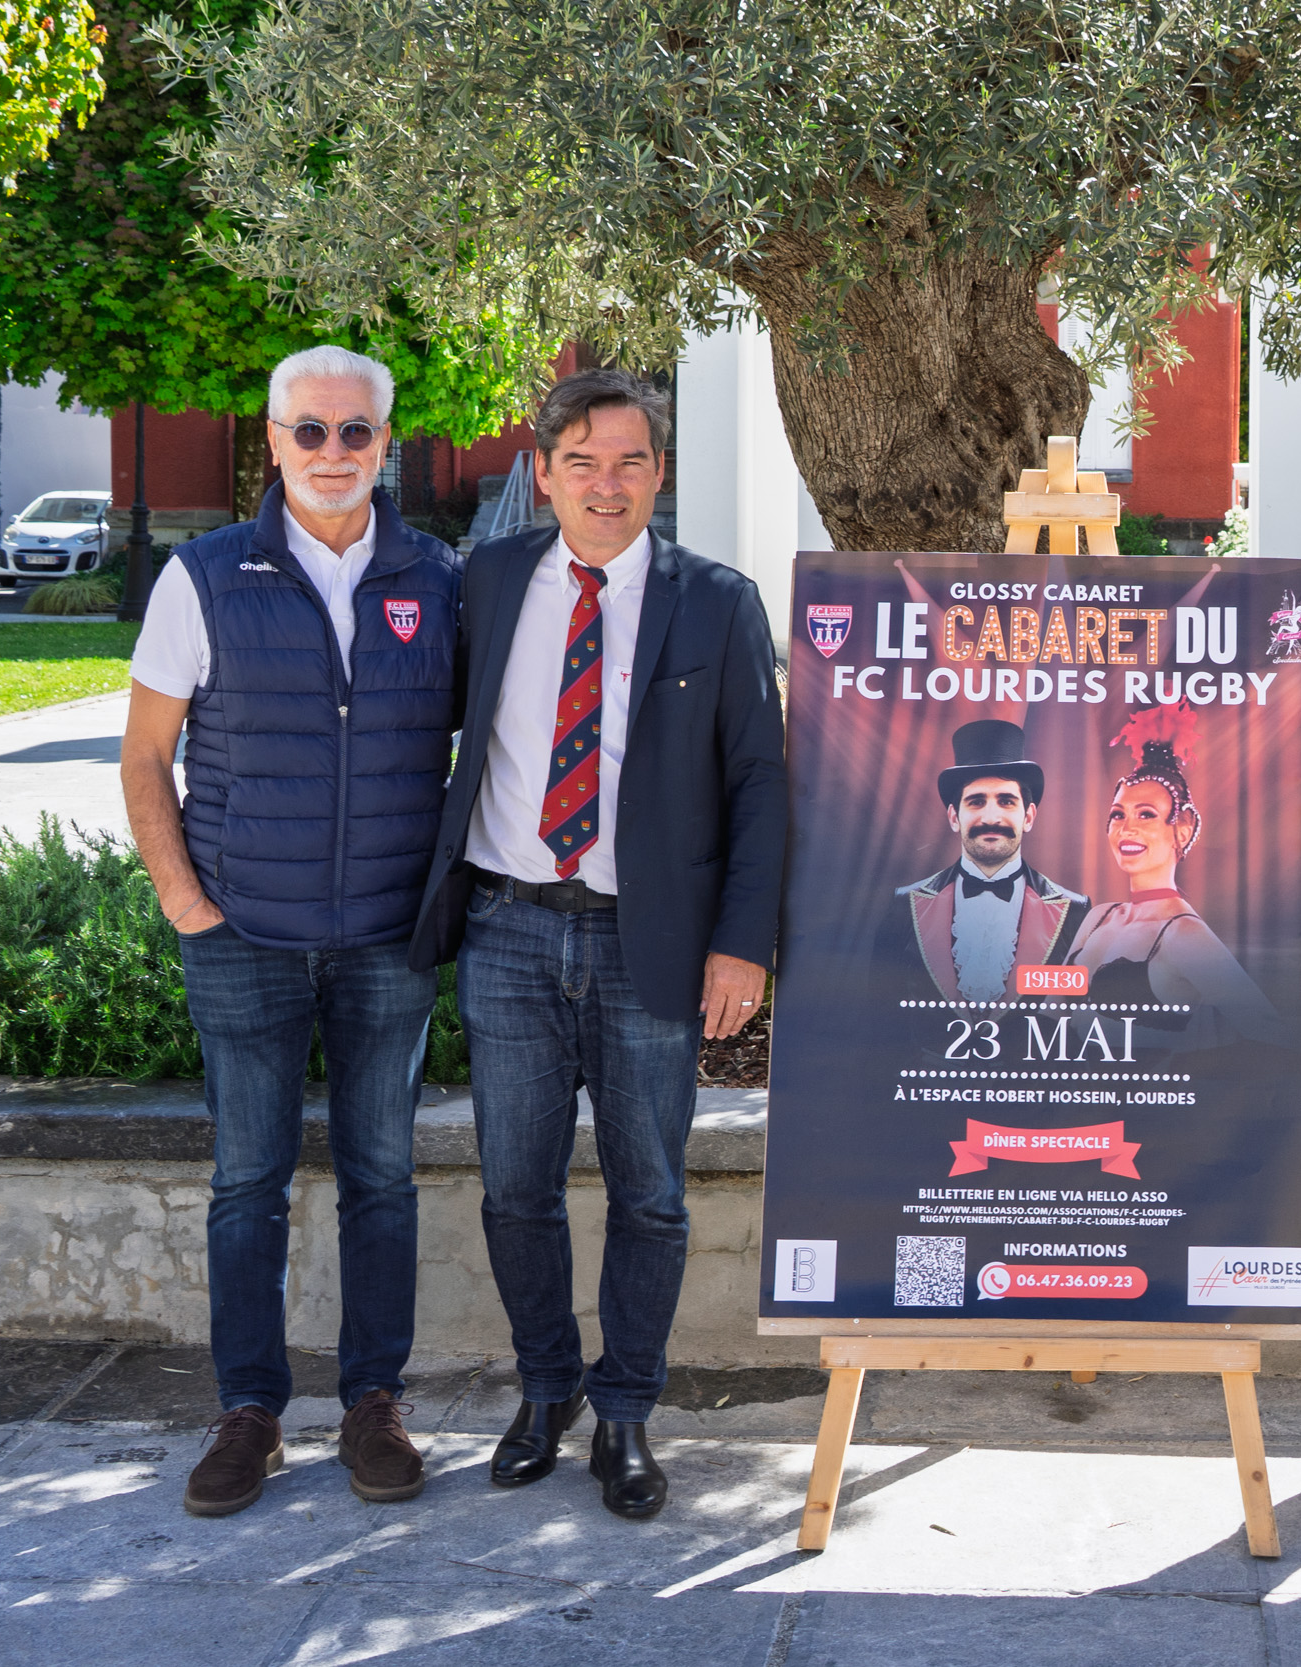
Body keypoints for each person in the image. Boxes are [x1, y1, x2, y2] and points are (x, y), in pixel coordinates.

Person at [408, 368, 785, 1521]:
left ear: (658, 473)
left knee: (651, 1193)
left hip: (650, 944)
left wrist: (743, 943)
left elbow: (762, 782)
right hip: (508, 929)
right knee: (515, 1186)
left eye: (628, 461)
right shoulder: (489, 579)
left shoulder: (715, 600)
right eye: (581, 462)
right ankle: (544, 1389)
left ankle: (625, 1408)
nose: (605, 484)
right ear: (543, 474)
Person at [118, 345, 459, 1518]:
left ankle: (374, 1403)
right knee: (247, 1181)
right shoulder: (204, 576)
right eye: (306, 431)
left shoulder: (438, 577)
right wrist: (184, 901)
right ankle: (249, 1412)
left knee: (381, 1178)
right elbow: (145, 754)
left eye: (352, 432)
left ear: (383, 445)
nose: (329, 453)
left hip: (382, 942)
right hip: (241, 935)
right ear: (271, 441)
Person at [1066, 702, 1276, 1044]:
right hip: (1068, 1092)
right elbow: (1048, 1013)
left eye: (1146, 814)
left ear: (1182, 827)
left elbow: (1270, 1032)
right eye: (1118, 815)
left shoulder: (1185, 934)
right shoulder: (1099, 917)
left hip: (1140, 1093)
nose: (1126, 828)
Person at [893, 719, 1087, 1003]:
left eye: (1007, 801)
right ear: (954, 817)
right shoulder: (904, 905)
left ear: (1029, 816)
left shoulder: (1075, 912)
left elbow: (1075, 1019)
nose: (991, 818)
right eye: (976, 801)